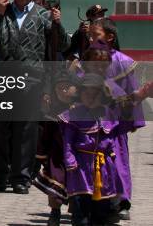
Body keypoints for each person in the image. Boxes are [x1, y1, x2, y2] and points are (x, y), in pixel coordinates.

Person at [0, 0, 70, 194]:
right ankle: (0, 176)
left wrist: (58, 24)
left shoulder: (43, 15)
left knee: (26, 131)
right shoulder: (3, 13)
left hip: (32, 81)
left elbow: (62, 44)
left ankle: (21, 177)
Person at [59, 74, 153, 226]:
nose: (90, 98)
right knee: (81, 211)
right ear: (80, 94)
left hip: (104, 169)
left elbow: (123, 125)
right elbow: (68, 142)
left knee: (101, 212)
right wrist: (70, 160)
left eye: (94, 94)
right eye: (86, 93)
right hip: (81, 169)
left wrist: (140, 96)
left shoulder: (108, 114)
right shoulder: (73, 115)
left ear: (102, 96)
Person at [88, 18, 142, 220]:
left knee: (118, 161)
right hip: (90, 123)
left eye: (96, 35)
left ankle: (122, 200)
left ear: (110, 37)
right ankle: (94, 200)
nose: (91, 39)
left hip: (115, 123)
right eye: (90, 36)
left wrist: (131, 120)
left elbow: (131, 92)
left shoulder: (123, 62)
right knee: (92, 163)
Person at [33, 71, 78, 226]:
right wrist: (40, 158)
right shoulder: (51, 114)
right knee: (54, 185)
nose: (63, 91)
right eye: (59, 88)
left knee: (75, 188)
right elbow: (45, 138)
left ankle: (75, 214)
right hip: (56, 157)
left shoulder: (80, 112)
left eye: (67, 87)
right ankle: (55, 213)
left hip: (77, 158)